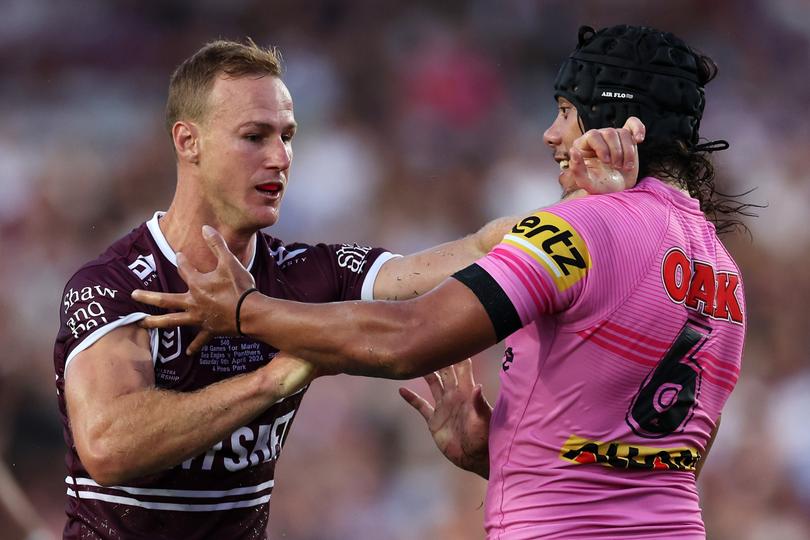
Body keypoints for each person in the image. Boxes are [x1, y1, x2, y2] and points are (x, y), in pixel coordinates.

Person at [136, 25, 747, 539]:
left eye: (564, 111)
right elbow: (660, 466)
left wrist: (246, 311)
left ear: (614, 117)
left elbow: (407, 337)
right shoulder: (722, 268)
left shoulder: (583, 227)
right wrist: (497, 455)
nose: (551, 134)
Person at [52, 38, 628, 540]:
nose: (280, 158)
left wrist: (596, 199)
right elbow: (109, 447)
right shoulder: (115, 282)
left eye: (288, 135)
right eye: (254, 136)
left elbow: (482, 248)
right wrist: (276, 377)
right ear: (188, 141)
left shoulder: (307, 274)